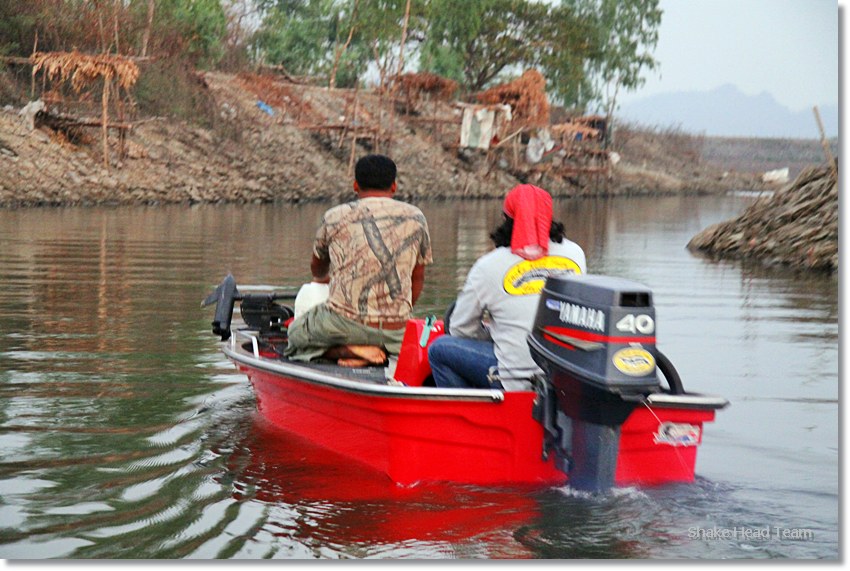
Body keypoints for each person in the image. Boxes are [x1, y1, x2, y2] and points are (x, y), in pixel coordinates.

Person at [428, 184, 586, 390]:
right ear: (549, 214)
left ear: (507, 218)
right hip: (564, 376)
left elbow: (459, 329)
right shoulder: (575, 254)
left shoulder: (488, 265)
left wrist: (490, 335)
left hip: (514, 379)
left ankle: (470, 415)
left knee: (439, 349)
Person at [285, 154, 432, 367]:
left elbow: (317, 269)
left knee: (295, 334)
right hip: (396, 332)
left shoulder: (335, 216)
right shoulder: (416, 218)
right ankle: (376, 351)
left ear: (355, 185)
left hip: (343, 325)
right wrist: (396, 314)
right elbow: (417, 278)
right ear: (394, 186)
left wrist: (327, 278)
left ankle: (346, 350)